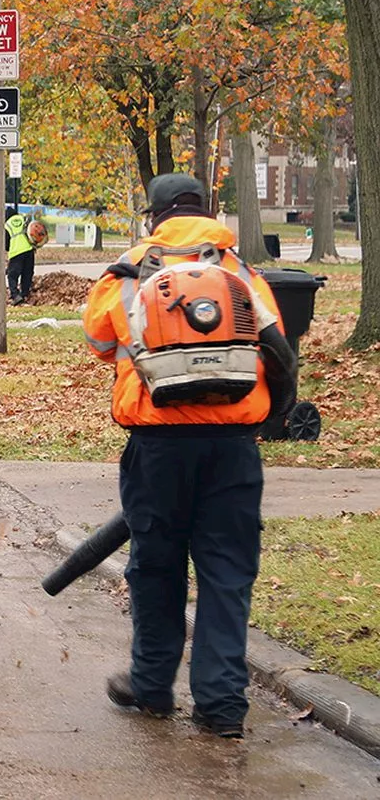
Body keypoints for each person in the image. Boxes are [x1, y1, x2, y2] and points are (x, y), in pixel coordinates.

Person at [82, 173, 296, 740]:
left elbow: (102, 344)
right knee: (226, 570)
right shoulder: (240, 271)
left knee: (156, 565)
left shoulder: (126, 272)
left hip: (158, 443)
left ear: (152, 217)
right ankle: (222, 706)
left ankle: (151, 687)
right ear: (208, 210)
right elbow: (276, 345)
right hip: (232, 445)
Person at [5, 207, 35, 304]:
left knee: (12, 275)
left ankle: (15, 295)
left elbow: (6, 244)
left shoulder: (7, 225)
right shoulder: (24, 219)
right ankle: (25, 294)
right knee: (27, 273)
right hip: (29, 250)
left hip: (16, 253)